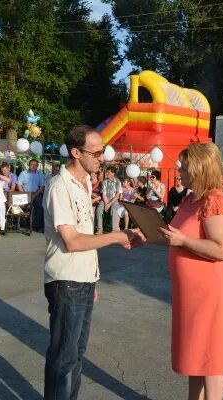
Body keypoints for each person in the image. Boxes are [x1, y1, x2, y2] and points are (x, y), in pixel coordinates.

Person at [43, 125, 144, 399]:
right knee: (63, 357)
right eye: (97, 152)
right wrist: (117, 236)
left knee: (76, 355)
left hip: (83, 279)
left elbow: (85, 234)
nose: (103, 157)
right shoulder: (59, 186)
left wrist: (92, 277)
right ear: (76, 152)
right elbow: (73, 241)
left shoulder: (86, 182)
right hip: (66, 280)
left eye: (103, 151)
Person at [158, 142, 223, 400]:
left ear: (200, 169)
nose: (179, 171)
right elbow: (179, 233)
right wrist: (149, 233)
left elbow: (222, 249)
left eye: (184, 167)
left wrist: (183, 241)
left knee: (213, 357)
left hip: (213, 293)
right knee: (197, 355)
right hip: (194, 295)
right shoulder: (193, 197)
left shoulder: (215, 200)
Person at [17, 159, 46, 232]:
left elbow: (42, 186)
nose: (33, 166)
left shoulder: (40, 174)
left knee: (40, 207)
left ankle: (36, 226)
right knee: (19, 207)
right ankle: (22, 224)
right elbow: (19, 185)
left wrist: (34, 195)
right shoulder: (23, 173)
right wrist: (25, 194)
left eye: (35, 165)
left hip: (36, 194)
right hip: (24, 193)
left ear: (37, 166)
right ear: (29, 165)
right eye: (32, 164)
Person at [95, 166, 122, 234]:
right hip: (105, 199)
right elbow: (104, 194)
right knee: (99, 209)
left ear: (113, 173)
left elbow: (117, 196)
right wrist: (106, 204)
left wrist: (109, 204)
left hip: (114, 199)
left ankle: (114, 230)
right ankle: (99, 229)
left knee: (114, 209)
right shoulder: (104, 182)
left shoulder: (118, 182)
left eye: (108, 172)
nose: (106, 173)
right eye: (106, 172)